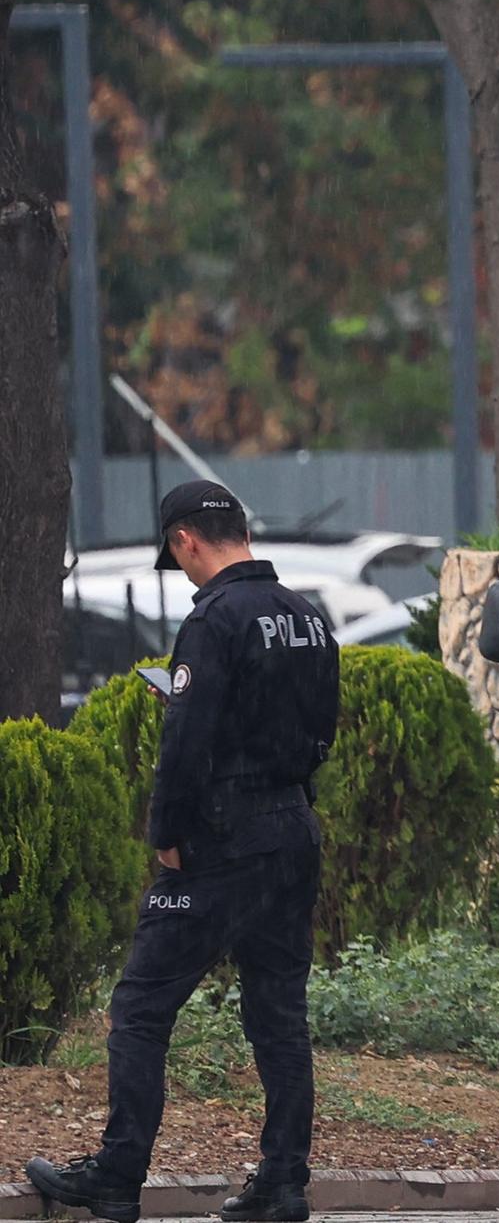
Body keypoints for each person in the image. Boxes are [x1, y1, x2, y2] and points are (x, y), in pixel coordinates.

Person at [25, 481, 341, 1223]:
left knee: (139, 1008)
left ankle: (115, 1175)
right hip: (293, 830)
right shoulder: (307, 617)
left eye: (179, 558)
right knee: (278, 1013)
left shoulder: (216, 620)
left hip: (223, 839)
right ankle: (283, 1182)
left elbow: (187, 744)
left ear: (184, 540)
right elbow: (321, 723)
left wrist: (167, 834)